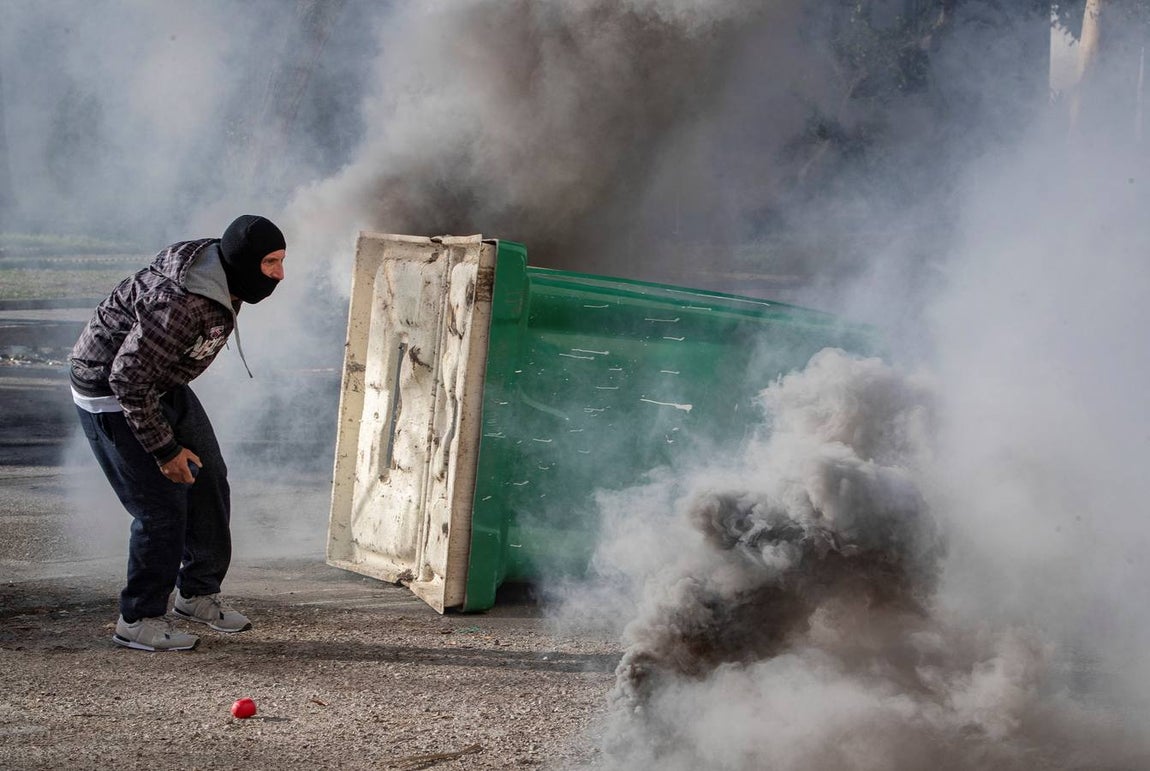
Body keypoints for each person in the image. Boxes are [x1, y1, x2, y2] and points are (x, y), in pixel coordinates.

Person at [69, 214, 286, 651]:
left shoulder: (224, 273)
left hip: (160, 382)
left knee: (209, 479)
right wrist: (165, 449)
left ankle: (197, 594)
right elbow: (127, 380)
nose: (280, 274)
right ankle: (138, 619)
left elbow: (147, 371)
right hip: (114, 393)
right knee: (162, 508)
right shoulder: (183, 305)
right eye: (270, 263)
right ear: (244, 262)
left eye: (281, 261)